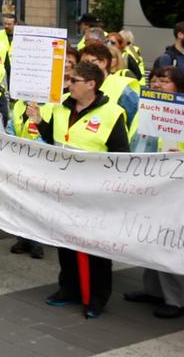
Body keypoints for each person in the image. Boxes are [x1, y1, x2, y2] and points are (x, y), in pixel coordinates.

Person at [28, 61, 129, 318]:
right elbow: (54, 139)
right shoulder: (62, 106)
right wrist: (39, 121)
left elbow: (122, 157)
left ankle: (97, 298)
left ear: (91, 84)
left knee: (95, 247)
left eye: (74, 80)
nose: (68, 84)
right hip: (64, 187)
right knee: (66, 240)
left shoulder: (112, 113)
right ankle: (69, 289)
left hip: (95, 191)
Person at [120, 63, 184, 318]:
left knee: (169, 242)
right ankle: (152, 289)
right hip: (143, 181)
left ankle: (174, 300)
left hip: (172, 185)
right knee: (147, 237)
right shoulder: (144, 107)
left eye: (165, 81)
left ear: (179, 86)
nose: (158, 84)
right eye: (155, 79)